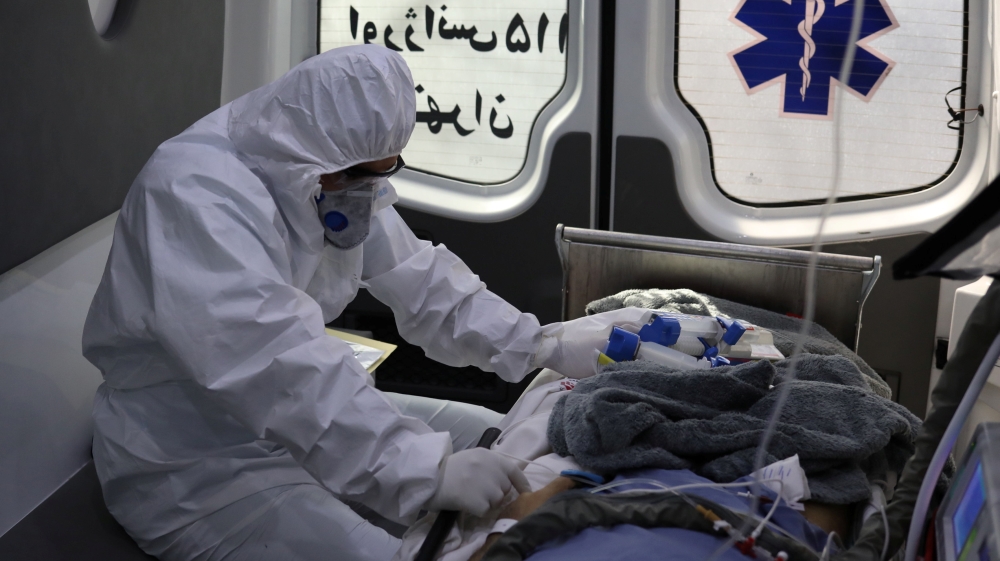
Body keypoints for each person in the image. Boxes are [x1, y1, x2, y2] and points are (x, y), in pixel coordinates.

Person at [82, 44, 646, 561]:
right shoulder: (195, 194)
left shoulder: (328, 170)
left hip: (288, 428)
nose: (364, 193)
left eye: (383, 172)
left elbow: (421, 279)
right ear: (307, 154)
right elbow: (274, 361)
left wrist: (541, 344)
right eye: (356, 175)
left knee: (505, 437)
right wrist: (419, 469)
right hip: (195, 469)